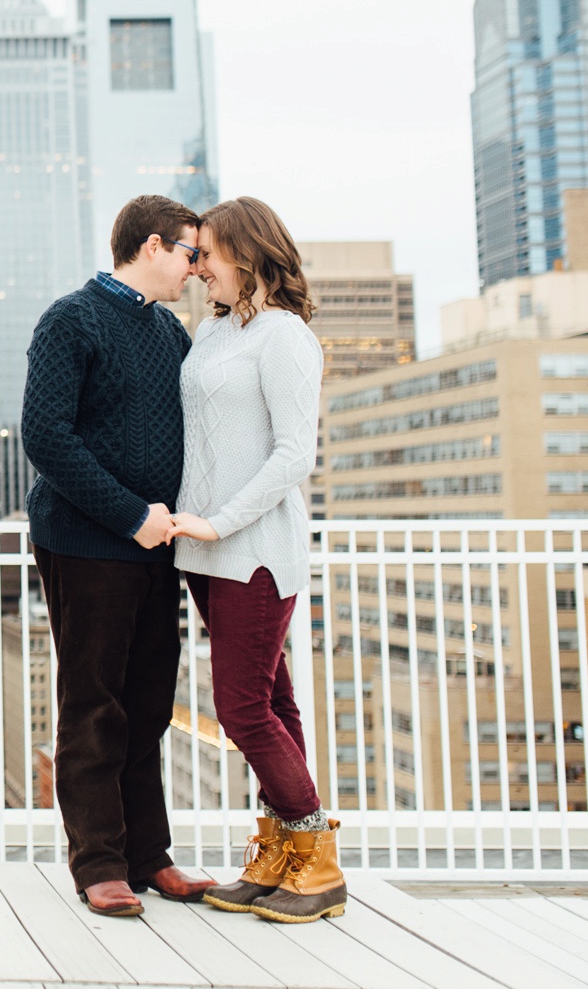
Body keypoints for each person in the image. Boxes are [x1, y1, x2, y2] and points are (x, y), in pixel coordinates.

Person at [20, 195, 215, 916]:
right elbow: (45, 436)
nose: (197, 269)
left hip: (156, 548)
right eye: (192, 253)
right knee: (94, 704)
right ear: (155, 245)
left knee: (148, 703)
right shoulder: (71, 319)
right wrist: (130, 514)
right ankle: (98, 861)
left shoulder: (170, 332)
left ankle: (148, 855)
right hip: (86, 540)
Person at [166, 197, 341, 922]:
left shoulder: (284, 337)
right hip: (206, 551)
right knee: (272, 701)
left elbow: (293, 455)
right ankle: (278, 852)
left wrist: (218, 522)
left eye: (207, 253)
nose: (198, 266)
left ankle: (317, 859)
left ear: (245, 253)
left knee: (241, 706)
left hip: (254, 550)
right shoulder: (213, 332)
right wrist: (195, 530)